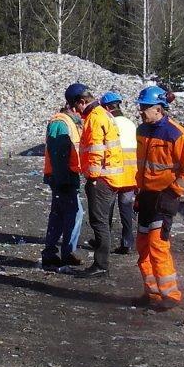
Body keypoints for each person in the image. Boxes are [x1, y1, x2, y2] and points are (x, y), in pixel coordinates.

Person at [133, 87, 184, 311]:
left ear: (159, 109)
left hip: (165, 197)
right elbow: (142, 167)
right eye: (140, 107)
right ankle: (152, 292)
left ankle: (170, 294)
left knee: (157, 245)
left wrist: (173, 192)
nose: (141, 112)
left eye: (145, 108)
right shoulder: (142, 130)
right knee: (142, 246)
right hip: (146, 197)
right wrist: (138, 193)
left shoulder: (176, 134)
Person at [71, 84, 131, 277]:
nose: (75, 110)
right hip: (110, 177)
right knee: (102, 220)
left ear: (82, 101)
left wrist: (93, 177)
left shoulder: (95, 118)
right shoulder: (103, 114)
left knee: (99, 221)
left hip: (102, 178)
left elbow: (96, 150)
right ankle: (101, 262)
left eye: (75, 105)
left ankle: (101, 264)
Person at [41, 84, 85, 269]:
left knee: (58, 215)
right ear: (77, 103)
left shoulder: (70, 122)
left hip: (65, 176)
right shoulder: (61, 123)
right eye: (84, 103)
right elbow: (58, 155)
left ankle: (51, 253)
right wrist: (63, 181)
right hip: (63, 178)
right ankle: (66, 253)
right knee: (75, 213)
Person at [100, 91, 137, 254]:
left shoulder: (110, 123)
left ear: (107, 107)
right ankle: (127, 242)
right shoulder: (130, 123)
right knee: (126, 211)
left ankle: (103, 242)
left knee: (105, 210)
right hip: (131, 175)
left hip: (113, 175)